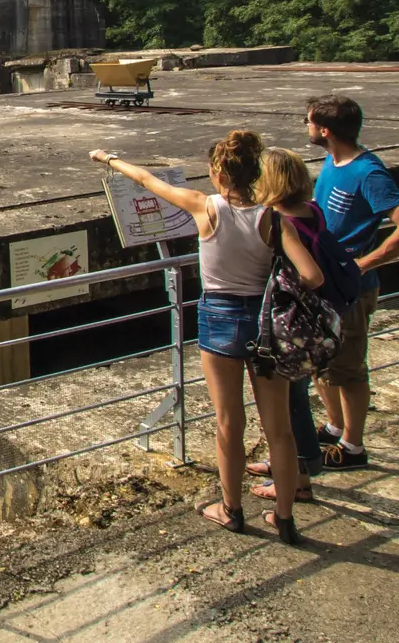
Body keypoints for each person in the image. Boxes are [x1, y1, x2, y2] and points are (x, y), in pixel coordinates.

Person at [90, 132, 324, 543]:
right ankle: (284, 518)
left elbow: (149, 181)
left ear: (217, 173)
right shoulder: (273, 218)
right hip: (265, 321)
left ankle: (230, 508)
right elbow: (312, 276)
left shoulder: (205, 207)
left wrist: (109, 159)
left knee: (228, 423)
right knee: (280, 428)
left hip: (219, 315)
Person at [301, 94, 399, 472]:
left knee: (350, 367)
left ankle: (353, 446)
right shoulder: (333, 160)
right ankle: (335, 426)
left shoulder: (368, 172)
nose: (305, 128)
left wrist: (360, 265)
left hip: (349, 289)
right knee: (322, 366)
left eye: (308, 122)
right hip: (323, 284)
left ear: (324, 130)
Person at [245, 147, 328, 503]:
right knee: (296, 400)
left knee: (290, 405)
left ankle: (298, 480)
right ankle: (290, 467)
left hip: (289, 324)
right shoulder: (311, 212)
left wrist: (289, 290)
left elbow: (310, 274)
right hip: (311, 323)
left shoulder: (282, 221)